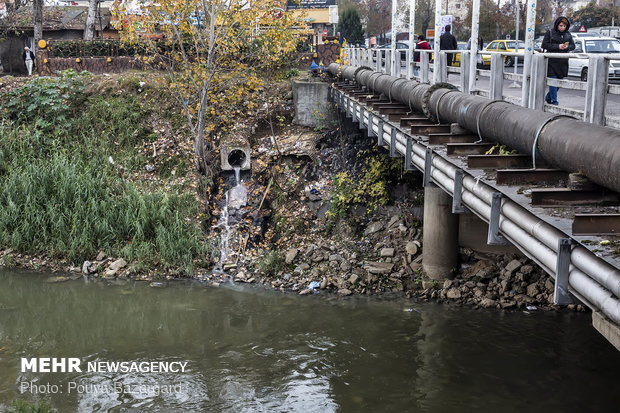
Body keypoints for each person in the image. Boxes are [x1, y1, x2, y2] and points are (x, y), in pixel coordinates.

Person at [541, 16, 574, 105]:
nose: (562, 28)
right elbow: (544, 44)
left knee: (559, 82)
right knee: (553, 81)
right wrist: (558, 46)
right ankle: (554, 101)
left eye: (564, 26)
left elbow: (573, 46)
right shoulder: (550, 32)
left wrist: (567, 47)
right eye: (561, 25)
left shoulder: (568, 34)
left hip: (563, 62)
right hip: (552, 61)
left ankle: (548, 97)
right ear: (557, 25)